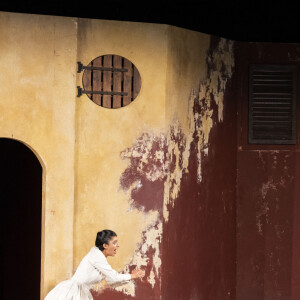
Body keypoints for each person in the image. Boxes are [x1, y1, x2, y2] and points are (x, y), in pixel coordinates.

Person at [44, 230, 145, 299]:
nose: (118, 245)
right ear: (105, 245)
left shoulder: (100, 258)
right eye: (114, 243)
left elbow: (111, 281)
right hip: (72, 293)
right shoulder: (96, 256)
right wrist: (132, 275)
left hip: (82, 292)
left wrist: (131, 277)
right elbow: (114, 277)